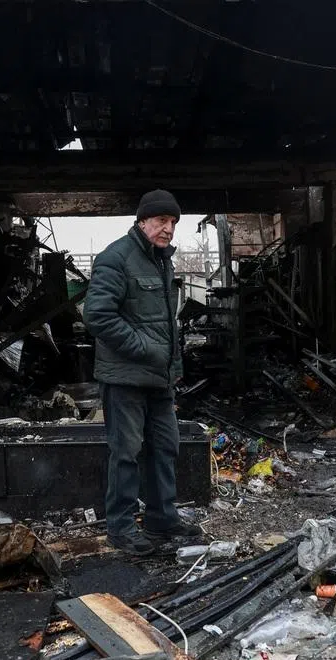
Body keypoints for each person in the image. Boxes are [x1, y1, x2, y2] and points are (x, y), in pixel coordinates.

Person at [84, 190, 204, 556]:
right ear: (142, 221)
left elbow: (165, 324)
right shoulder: (115, 258)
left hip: (159, 379)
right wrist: (146, 349)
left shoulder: (162, 261)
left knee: (165, 446)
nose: (168, 228)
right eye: (161, 221)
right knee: (126, 452)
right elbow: (98, 315)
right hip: (125, 379)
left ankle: (161, 519)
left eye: (173, 222)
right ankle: (120, 528)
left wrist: (173, 367)